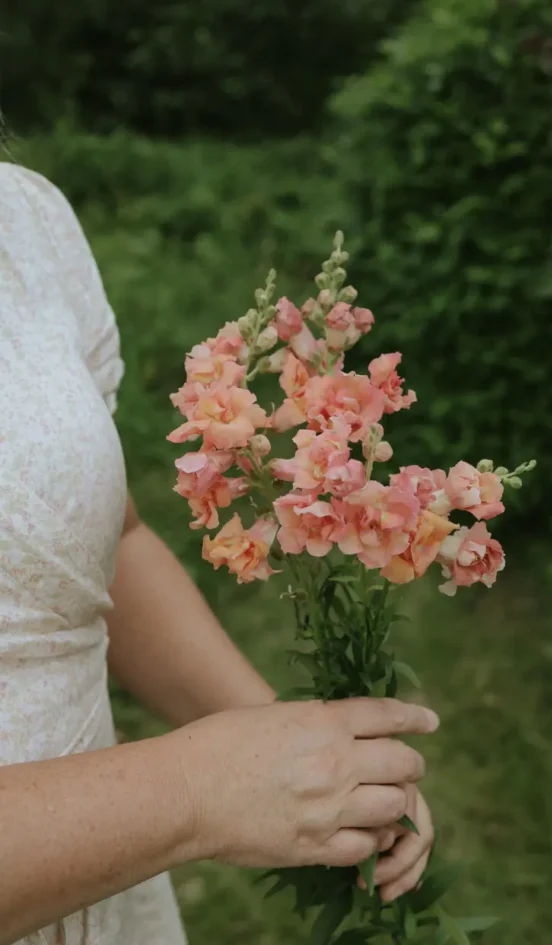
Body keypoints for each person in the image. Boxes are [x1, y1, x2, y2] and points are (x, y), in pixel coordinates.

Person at [0, 163, 437, 945]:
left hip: (103, 883)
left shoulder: (24, 217)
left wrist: (307, 756)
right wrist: (196, 790)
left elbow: (91, 551)